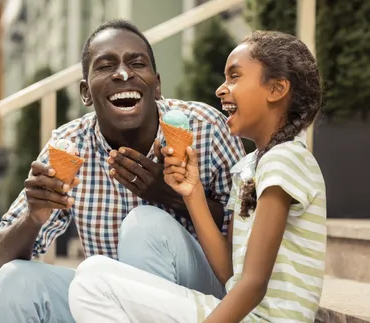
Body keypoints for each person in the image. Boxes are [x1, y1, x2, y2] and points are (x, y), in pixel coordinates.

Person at [0, 19, 245, 323]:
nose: (123, 73)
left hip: (204, 302)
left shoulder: (205, 129)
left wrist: (170, 196)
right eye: (106, 66)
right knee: (17, 279)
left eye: (137, 63)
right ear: (85, 93)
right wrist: (32, 217)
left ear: (157, 85)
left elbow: (249, 233)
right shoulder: (70, 146)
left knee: (145, 224)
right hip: (106, 306)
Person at [69, 30, 326, 322]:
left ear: (276, 89)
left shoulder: (286, 159)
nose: (221, 89)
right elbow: (231, 273)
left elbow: (253, 285)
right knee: (92, 271)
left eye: (235, 76)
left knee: (92, 286)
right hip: (245, 313)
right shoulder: (251, 167)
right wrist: (191, 193)